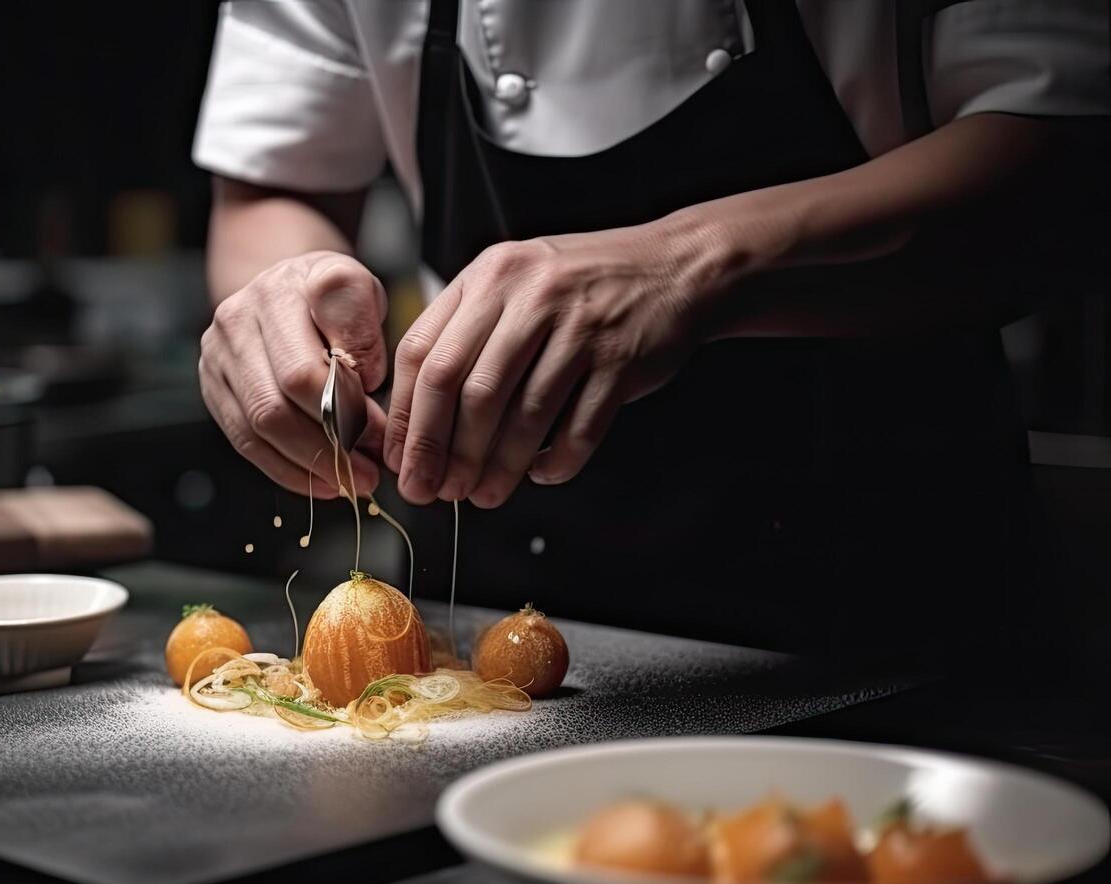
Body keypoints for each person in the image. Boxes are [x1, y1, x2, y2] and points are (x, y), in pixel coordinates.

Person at [192, 1, 1109, 663]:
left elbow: (1066, 163)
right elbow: (280, 185)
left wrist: (690, 262)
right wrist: (283, 297)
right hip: (495, 594)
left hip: (894, 596)